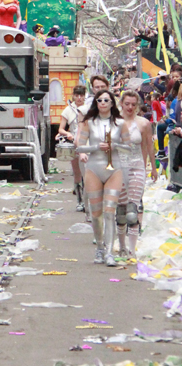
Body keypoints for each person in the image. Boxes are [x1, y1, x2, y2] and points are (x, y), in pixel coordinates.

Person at [76, 89, 129, 267]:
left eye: (107, 100)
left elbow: (129, 147)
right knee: (96, 212)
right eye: (100, 100)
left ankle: (109, 252)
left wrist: (114, 145)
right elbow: (80, 148)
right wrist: (96, 147)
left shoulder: (120, 123)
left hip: (115, 169)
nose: (103, 103)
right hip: (93, 169)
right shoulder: (88, 122)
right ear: (96, 103)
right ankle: (99, 247)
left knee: (110, 211)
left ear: (113, 103)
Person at [117, 89, 157, 259]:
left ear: (138, 106)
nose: (130, 107)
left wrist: (153, 168)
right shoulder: (113, 122)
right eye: (127, 104)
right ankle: (122, 246)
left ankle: (132, 249)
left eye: (133, 104)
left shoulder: (143, 124)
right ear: (121, 104)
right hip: (118, 169)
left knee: (133, 208)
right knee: (121, 209)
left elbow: (149, 146)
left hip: (137, 167)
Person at [58, 85, 87, 210]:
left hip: (87, 142)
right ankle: (80, 200)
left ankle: (88, 200)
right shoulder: (68, 110)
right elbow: (61, 128)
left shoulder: (89, 108)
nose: (79, 98)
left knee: (88, 173)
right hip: (74, 143)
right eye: (77, 95)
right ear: (73, 96)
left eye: (81, 95)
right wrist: (67, 134)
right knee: (77, 173)